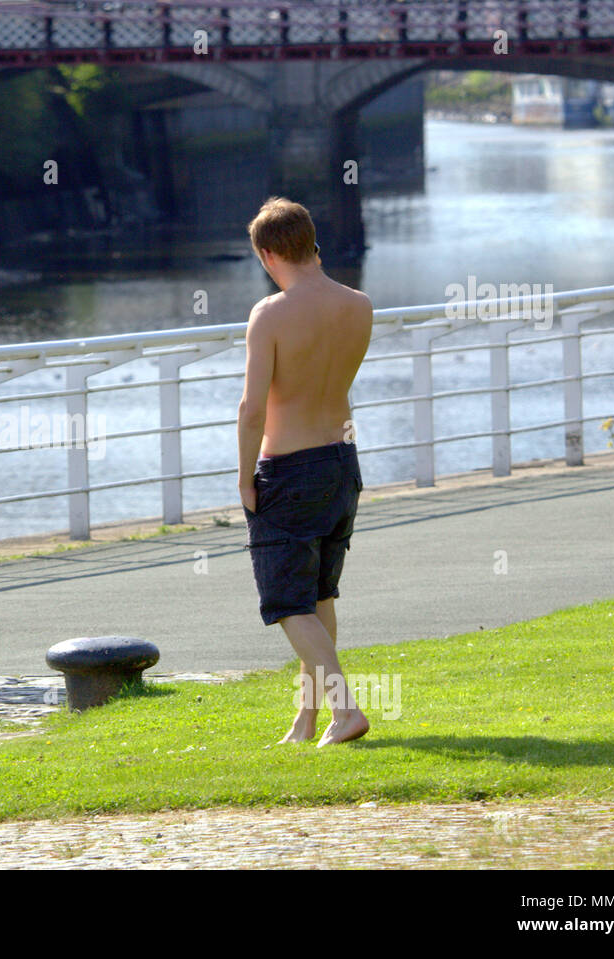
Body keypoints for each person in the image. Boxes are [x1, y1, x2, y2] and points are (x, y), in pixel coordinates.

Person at [238, 197, 372, 747]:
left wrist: (245, 478)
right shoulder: (359, 305)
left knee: (287, 604)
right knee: (319, 600)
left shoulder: (270, 314)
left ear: (268, 255)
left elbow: (252, 409)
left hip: (288, 469)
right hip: (341, 463)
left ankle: (345, 712)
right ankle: (306, 720)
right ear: (310, 241)